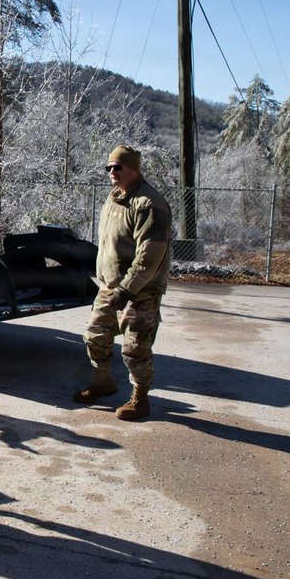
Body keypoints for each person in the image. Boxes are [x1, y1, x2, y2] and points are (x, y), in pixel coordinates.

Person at [73, 144, 172, 421]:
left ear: (134, 169)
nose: (112, 172)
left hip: (140, 292)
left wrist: (128, 288)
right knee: (95, 336)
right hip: (110, 288)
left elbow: (150, 256)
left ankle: (140, 400)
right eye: (109, 167)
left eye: (119, 167)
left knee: (135, 350)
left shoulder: (149, 204)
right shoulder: (115, 197)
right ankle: (102, 382)